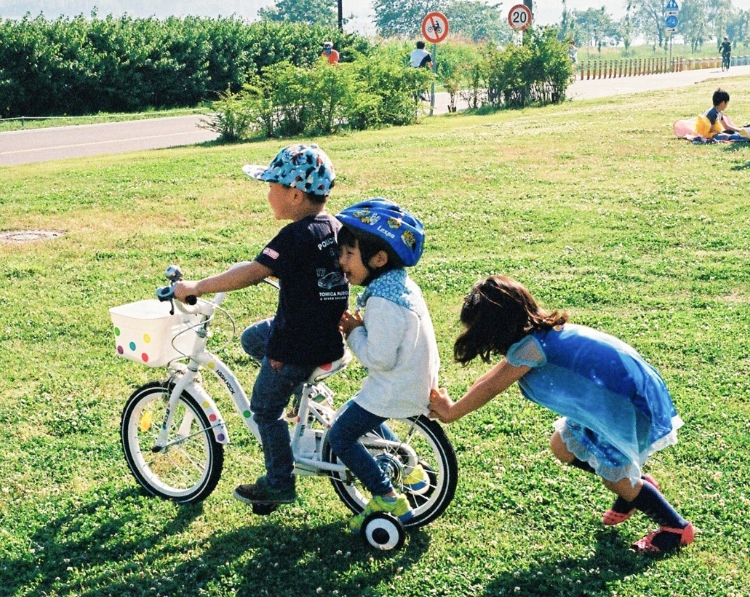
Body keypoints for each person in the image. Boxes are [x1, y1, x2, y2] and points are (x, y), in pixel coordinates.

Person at [429, 275, 695, 555]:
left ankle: (675, 529)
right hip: (602, 403)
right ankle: (633, 488)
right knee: (563, 447)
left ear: (496, 328)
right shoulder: (536, 336)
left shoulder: (532, 347)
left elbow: (492, 387)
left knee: (614, 476)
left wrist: (452, 411)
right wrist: (453, 405)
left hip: (622, 405)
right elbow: (488, 379)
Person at [174, 144, 349, 506]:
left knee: (265, 409)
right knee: (254, 338)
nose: (268, 194)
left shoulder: (294, 236)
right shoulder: (334, 227)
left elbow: (253, 272)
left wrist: (196, 287)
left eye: (272, 186)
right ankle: (302, 397)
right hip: (328, 335)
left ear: (295, 194)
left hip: (296, 347)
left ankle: (279, 483)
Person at [328, 198, 440, 532]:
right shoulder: (398, 287)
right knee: (358, 417)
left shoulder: (383, 302)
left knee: (340, 436)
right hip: (408, 379)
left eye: (349, 254)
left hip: (396, 385)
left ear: (378, 259)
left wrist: (354, 332)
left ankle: (386, 495)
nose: (341, 261)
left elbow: (379, 357)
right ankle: (412, 470)